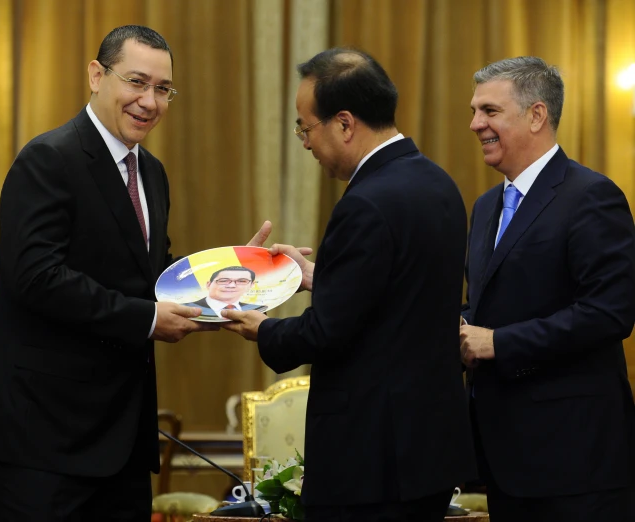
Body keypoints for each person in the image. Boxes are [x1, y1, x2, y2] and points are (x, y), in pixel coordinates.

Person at [0, 25, 278, 521]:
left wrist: (241, 271)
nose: (149, 101)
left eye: (163, 89)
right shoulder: (48, 159)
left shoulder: (151, 171)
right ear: (97, 75)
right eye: (136, 82)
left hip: (122, 438)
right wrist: (147, 320)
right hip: (46, 440)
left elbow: (153, 277)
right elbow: (37, 277)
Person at [222, 48, 476, 522]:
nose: (304, 142)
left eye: (305, 127)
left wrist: (263, 328)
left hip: (371, 460)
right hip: (426, 454)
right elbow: (396, 294)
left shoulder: (366, 201)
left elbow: (328, 332)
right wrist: (315, 277)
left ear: (343, 123)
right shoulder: (437, 183)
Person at [461, 56, 635, 522]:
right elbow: (483, 305)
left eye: (490, 111)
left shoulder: (591, 196)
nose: (475, 124)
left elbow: (609, 313)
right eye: (475, 111)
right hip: (502, 457)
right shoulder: (485, 207)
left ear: (537, 115)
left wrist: (498, 343)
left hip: (575, 463)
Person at [182, 266, 267, 318]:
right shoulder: (185, 308)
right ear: (208, 284)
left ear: (251, 285)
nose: (231, 285)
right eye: (223, 281)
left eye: (242, 281)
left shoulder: (257, 309)